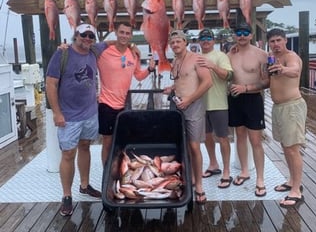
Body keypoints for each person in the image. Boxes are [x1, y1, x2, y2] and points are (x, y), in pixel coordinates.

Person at [46, 23, 102, 216]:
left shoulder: (94, 51)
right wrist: (56, 113)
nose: (87, 38)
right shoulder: (62, 54)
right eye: (84, 34)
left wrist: (134, 47)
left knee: (85, 146)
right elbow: (51, 85)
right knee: (68, 154)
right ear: (75, 35)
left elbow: (114, 42)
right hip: (68, 116)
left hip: (90, 112)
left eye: (91, 36)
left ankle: (84, 185)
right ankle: (67, 195)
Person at [163, 30, 212, 203]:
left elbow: (208, 82)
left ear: (185, 42)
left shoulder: (196, 58)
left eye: (178, 41)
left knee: (194, 146)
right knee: (181, 143)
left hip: (193, 105)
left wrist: (189, 99)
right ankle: (189, 177)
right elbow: (181, 81)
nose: (175, 45)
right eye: (172, 42)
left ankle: (199, 185)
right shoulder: (175, 61)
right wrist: (172, 88)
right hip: (177, 105)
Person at [97, 22, 156, 165]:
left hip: (124, 105)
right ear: (116, 32)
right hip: (106, 104)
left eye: (127, 33)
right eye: (121, 32)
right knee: (107, 141)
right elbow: (86, 48)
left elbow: (138, 76)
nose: (124, 36)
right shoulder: (104, 51)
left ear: (131, 35)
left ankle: (118, 167)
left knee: (122, 140)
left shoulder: (133, 54)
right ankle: (107, 171)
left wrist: (150, 69)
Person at [227, 22, 269, 197]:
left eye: (245, 32)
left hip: (253, 99)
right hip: (235, 99)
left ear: (251, 35)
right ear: (235, 35)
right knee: (240, 136)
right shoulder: (229, 54)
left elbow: (267, 82)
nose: (242, 35)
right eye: (238, 32)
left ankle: (260, 179)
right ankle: (245, 171)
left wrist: (247, 88)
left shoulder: (262, 55)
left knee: (256, 141)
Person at [267, 28, 306, 207]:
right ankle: (291, 181)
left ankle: (296, 190)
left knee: (292, 148)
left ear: (285, 41)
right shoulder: (271, 58)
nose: (275, 44)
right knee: (285, 146)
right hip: (278, 107)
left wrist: (282, 69)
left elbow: (295, 71)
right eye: (272, 41)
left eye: (278, 40)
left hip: (292, 107)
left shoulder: (291, 57)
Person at [196, 28, 234, 188]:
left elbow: (230, 76)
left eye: (209, 38)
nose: (206, 40)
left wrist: (213, 66)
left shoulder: (221, 56)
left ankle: (226, 171)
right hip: (200, 105)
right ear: (198, 41)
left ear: (214, 41)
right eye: (203, 38)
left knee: (223, 138)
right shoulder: (195, 58)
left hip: (219, 104)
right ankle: (213, 164)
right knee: (207, 137)